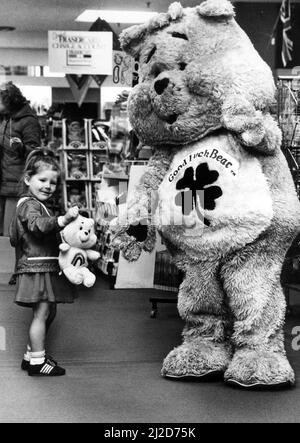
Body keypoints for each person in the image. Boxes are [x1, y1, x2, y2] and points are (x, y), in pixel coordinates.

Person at [9, 149, 79, 377]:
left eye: (52, 182)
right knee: (42, 313)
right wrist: (62, 220)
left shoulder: (34, 203)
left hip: (43, 265)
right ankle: (38, 361)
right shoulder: (29, 205)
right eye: (42, 180)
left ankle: (32, 355)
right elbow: (37, 226)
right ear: (28, 179)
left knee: (49, 311)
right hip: (36, 267)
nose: (48, 186)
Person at [0, 81, 41, 236]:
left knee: (9, 234)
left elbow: (35, 154)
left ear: (9, 102)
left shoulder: (28, 121)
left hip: (15, 185)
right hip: (4, 182)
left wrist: (22, 148)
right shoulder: (6, 118)